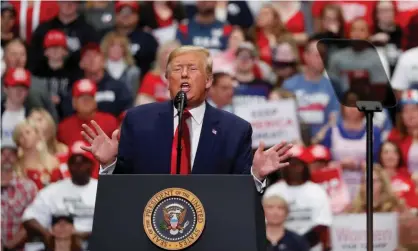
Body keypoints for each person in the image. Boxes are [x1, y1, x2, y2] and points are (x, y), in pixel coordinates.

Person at [81, 46, 293, 191]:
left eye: (192, 69)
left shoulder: (235, 130)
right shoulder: (137, 121)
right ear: (166, 79)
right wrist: (109, 163)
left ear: (209, 80)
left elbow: (238, 195)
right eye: (177, 69)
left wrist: (256, 174)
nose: (184, 75)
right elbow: (123, 187)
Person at [22, 142, 98, 248]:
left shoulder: (102, 189)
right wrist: (47, 235)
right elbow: (29, 217)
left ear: (92, 164)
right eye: (74, 162)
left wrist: (87, 235)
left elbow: (113, 222)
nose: (78, 166)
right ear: (68, 166)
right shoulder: (54, 190)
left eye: (83, 162)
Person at [264, 144, 332, 250]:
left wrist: (298, 244)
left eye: (297, 164)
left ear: (305, 167)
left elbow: (322, 224)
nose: (293, 168)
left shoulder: (317, 191)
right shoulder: (273, 191)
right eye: (289, 164)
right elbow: (266, 223)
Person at [1, 144, 38, 251]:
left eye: (11, 153)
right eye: (2, 153)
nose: (6, 157)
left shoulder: (28, 187)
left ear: (17, 157)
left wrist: (8, 246)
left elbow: (33, 219)